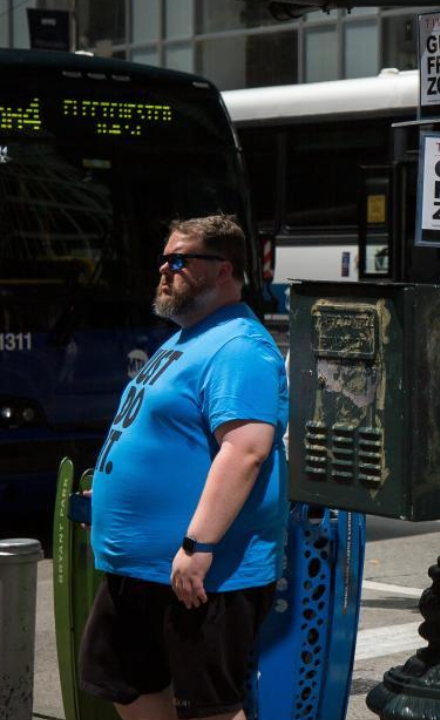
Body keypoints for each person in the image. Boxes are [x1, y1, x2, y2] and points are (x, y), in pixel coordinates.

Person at [80, 215, 288, 720]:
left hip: (199, 573)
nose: (164, 269)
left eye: (179, 260)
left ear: (223, 270)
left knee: (208, 709)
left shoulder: (240, 346)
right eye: (165, 258)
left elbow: (245, 450)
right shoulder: (187, 338)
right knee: (125, 684)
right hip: (140, 567)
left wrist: (199, 545)